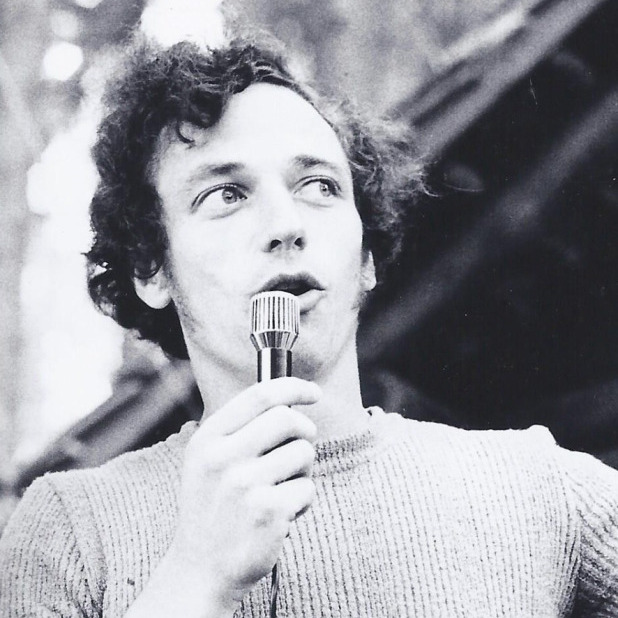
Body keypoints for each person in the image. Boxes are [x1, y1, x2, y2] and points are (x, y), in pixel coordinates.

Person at [1, 33, 618, 618]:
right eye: (226, 195)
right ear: (150, 268)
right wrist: (196, 576)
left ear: (367, 255)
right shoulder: (71, 530)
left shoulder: (538, 491)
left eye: (320, 186)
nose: (285, 224)